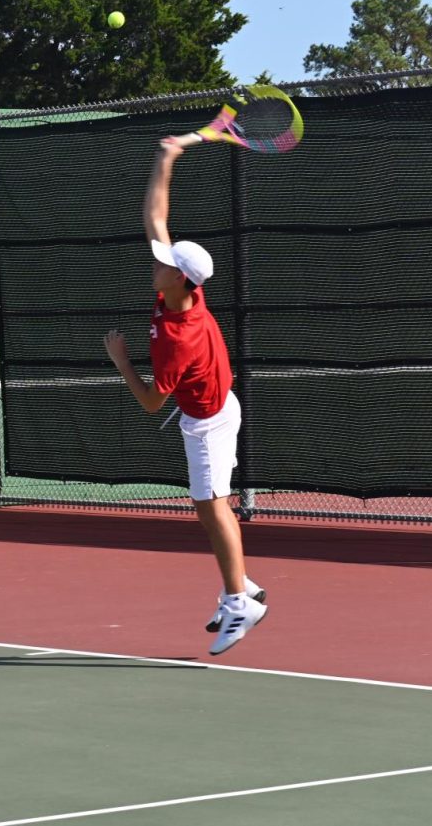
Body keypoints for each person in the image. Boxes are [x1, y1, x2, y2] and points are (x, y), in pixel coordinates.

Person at [102, 141, 267, 655]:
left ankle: (240, 601)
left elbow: (152, 402)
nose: (152, 265)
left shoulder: (179, 336)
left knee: (211, 506)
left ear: (179, 278)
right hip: (216, 407)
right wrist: (168, 156)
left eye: (161, 265)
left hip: (209, 422)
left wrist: (122, 361)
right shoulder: (179, 289)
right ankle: (239, 584)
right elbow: (155, 215)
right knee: (208, 507)